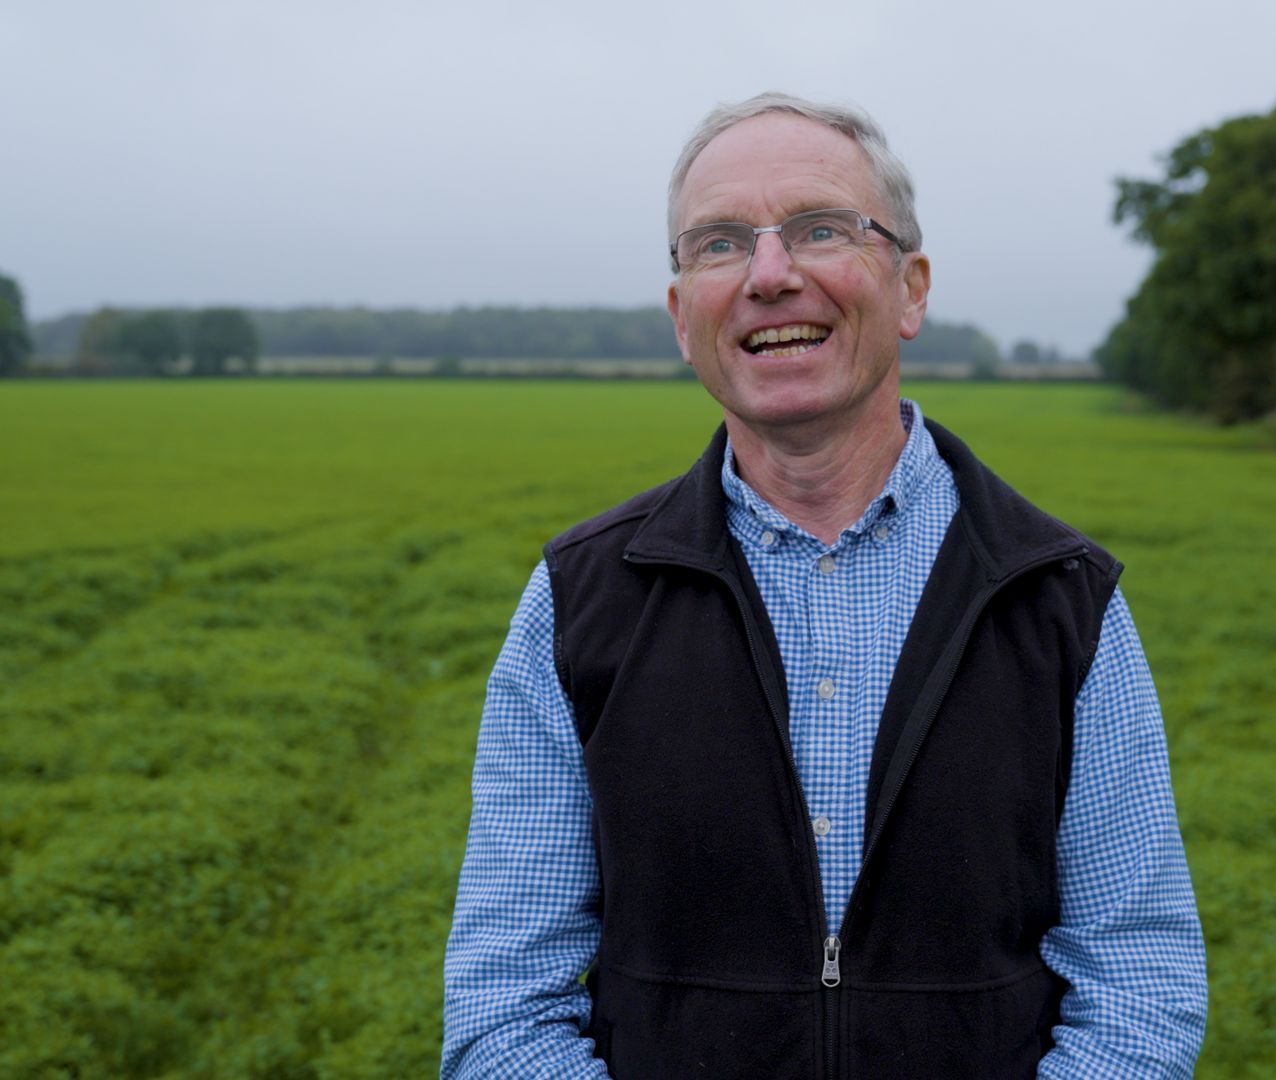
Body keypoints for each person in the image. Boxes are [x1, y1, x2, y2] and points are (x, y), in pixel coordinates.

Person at [441, 92, 1206, 1079]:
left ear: (911, 288)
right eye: (719, 245)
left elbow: (1140, 996)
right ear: (683, 318)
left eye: (820, 230)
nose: (769, 276)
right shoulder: (580, 601)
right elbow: (505, 1011)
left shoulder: (1061, 600)